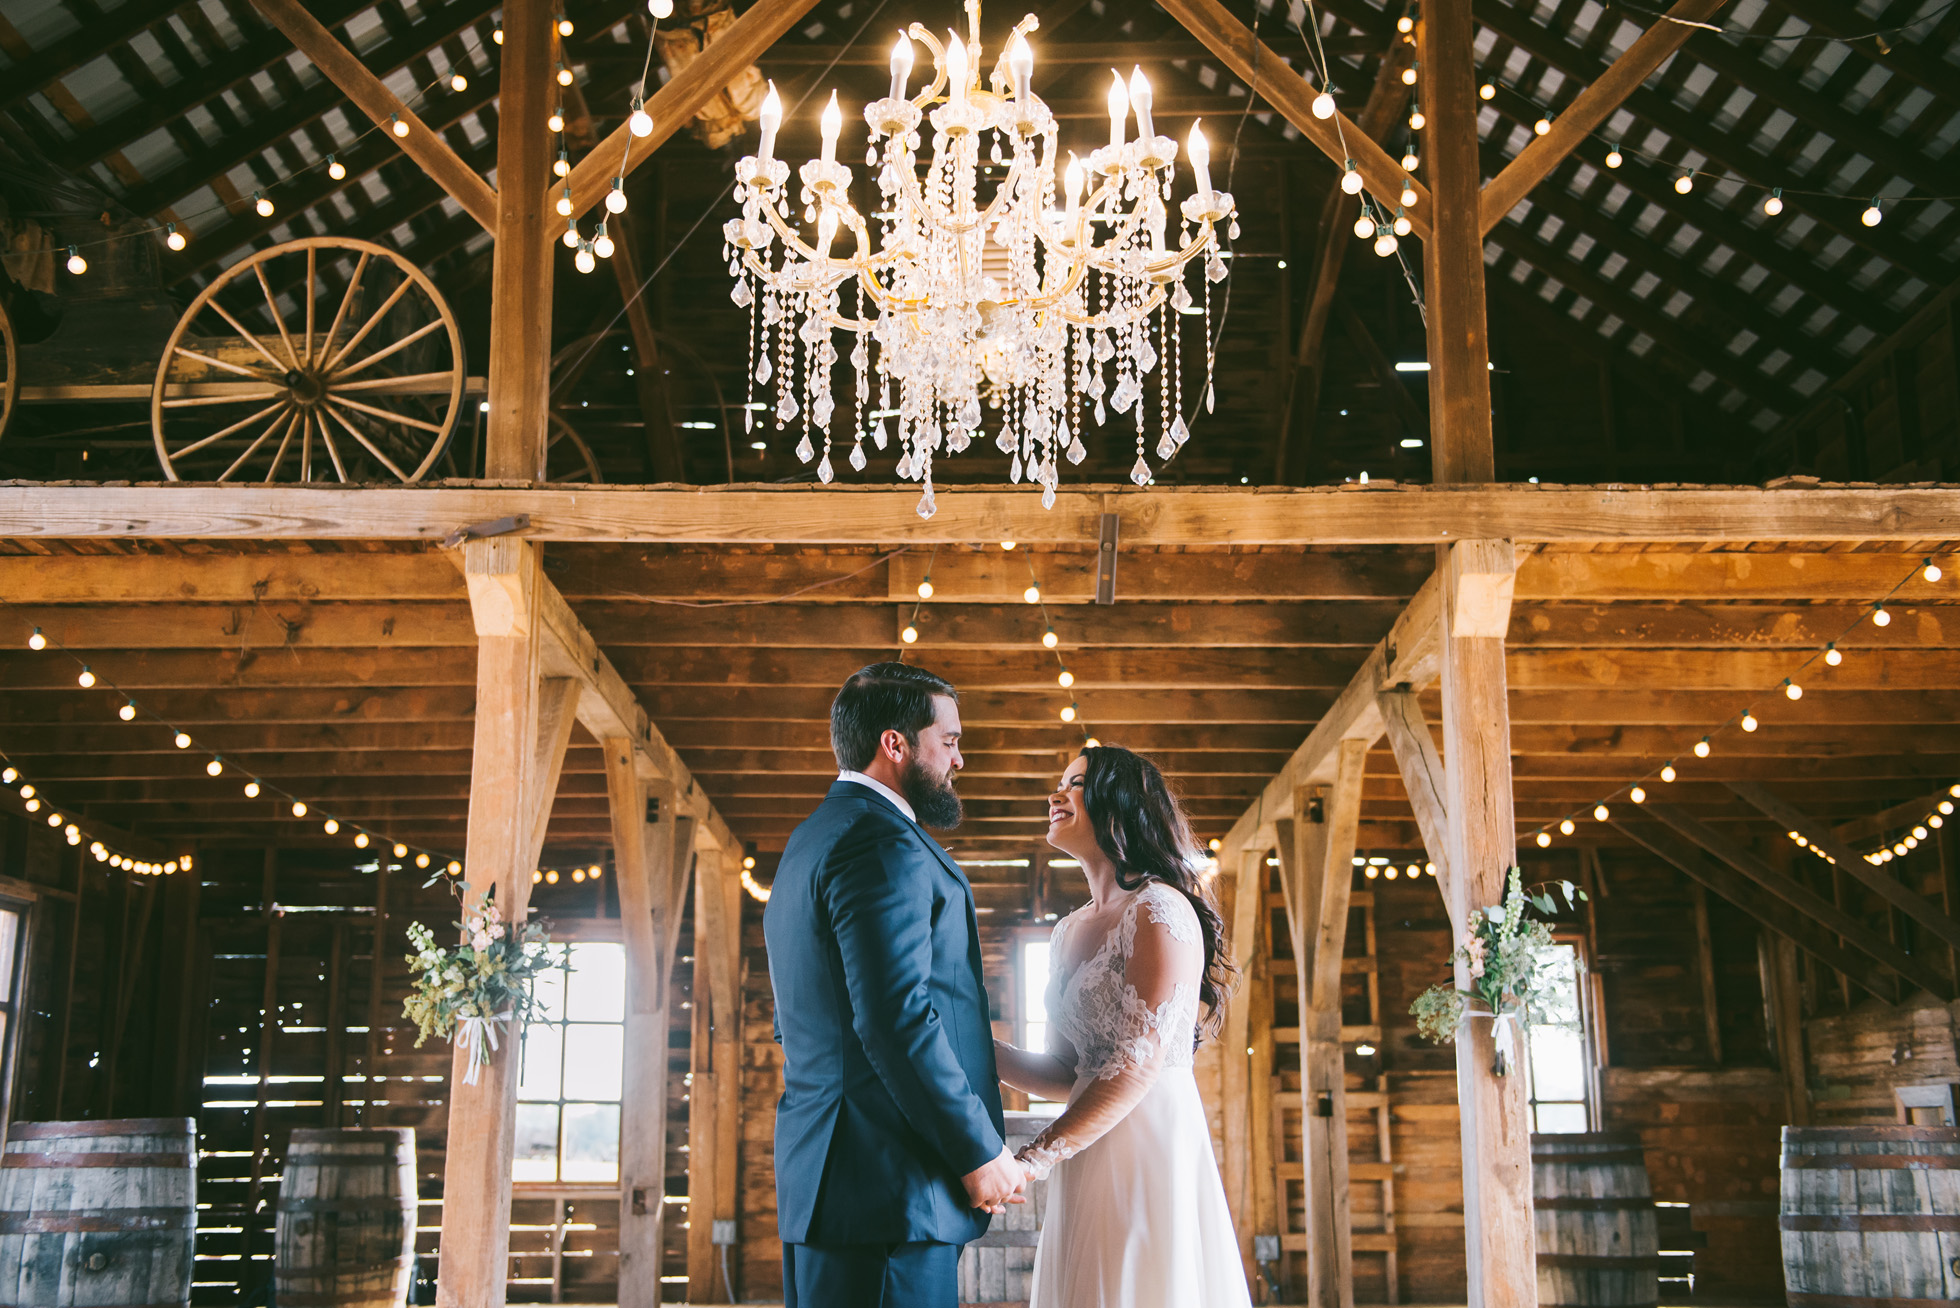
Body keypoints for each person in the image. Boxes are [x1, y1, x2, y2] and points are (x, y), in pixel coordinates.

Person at [764, 662, 1025, 1308]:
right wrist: (977, 1151)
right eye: (952, 740)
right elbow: (895, 1017)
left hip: (832, 1187)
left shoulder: (810, 840)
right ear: (896, 744)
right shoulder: (880, 843)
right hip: (885, 1191)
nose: (960, 759)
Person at [994, 744, 1252, 1307]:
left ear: (1119, 805)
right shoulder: (1066, 931)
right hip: (1087, 1148)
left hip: (1146, 1140)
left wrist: (1029, 1162)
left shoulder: (1159, 909)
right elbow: (1067, 1071)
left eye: (1077, 783)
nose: (1056, 794)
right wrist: (972, 1046)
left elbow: (1135, 1067)